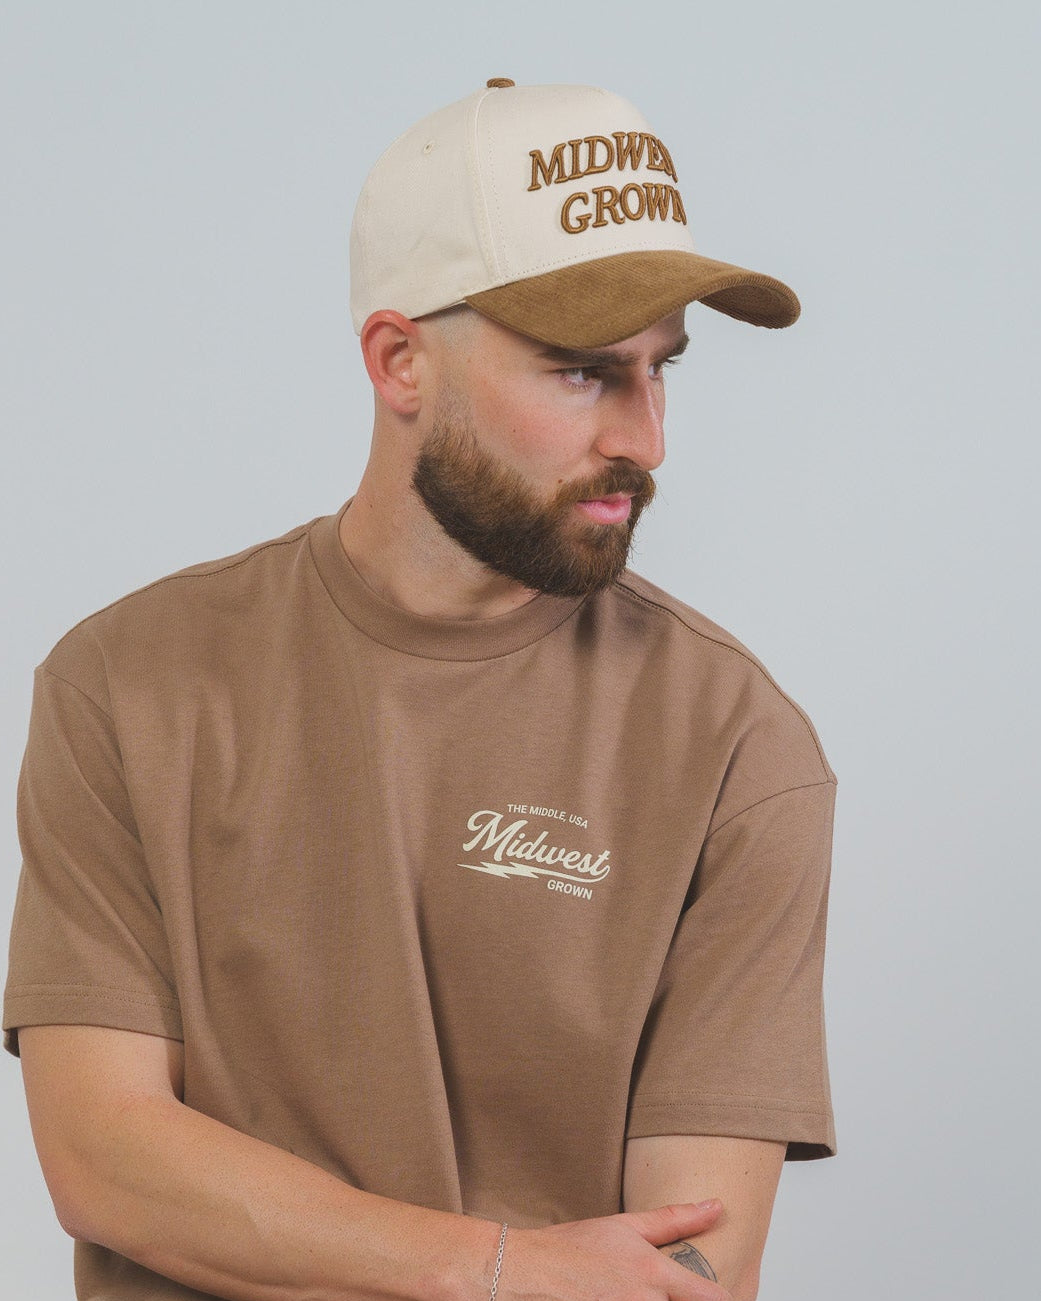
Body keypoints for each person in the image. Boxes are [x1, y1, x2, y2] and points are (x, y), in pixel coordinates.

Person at [4, 79, 837, 1301]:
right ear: (399, 361)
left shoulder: (736, 748)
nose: (647, 439)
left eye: (663, 370)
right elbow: (104, 1159)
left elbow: (686, 1267)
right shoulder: (130, 685)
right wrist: (500, 1265)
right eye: (581, 372)